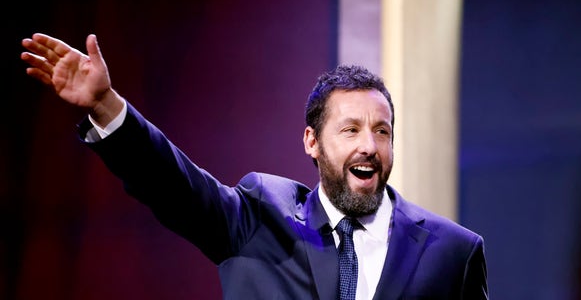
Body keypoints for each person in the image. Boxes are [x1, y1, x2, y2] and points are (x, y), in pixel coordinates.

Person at [20, 32, 489, 300]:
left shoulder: (452, 252)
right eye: (350, 130)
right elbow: (173, 184)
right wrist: (106, 106)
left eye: (382, 131)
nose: (369, 146)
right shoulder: (261, 215)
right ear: (312, 142)